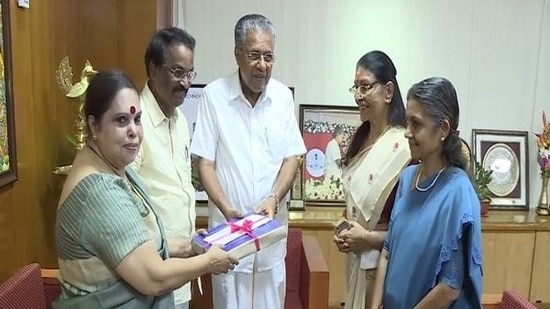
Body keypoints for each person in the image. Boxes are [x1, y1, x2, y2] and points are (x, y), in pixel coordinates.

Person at [55, 70, 238, 309]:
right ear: (93, 125)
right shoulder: (99, 191)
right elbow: (154, 278)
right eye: (121, 120)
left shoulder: (110, 165)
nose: (134, 131)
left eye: (138, 119)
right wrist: (208, 262)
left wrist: (189, 245)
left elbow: (133, 245)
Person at [190, 13, 306, 309]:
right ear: (237, 55)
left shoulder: (282, 97)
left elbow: (291, 156)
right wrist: (228, 210)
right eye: (254, 55)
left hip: (270, 240)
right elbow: (204, 162)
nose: (262, 65)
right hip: (229, 241)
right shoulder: (214, 96)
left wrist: (273, 197)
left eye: (269, 56)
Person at [371, 77, 483, 309]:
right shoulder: (407, 177)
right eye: (407, 123)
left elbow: (450, 287)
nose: (407, 133)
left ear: (443, 128)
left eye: (416, 124)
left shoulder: (458, 193)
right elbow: (388, 250)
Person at [332, 50, 411, 309]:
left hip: (384, 269)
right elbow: (354, 205)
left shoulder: (406, 149)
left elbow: (409, 229)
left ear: (388, 91)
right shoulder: (360, 139)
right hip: (355, 262)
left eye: (365, 87)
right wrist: (344, 226)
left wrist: (367, 239)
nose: (358, 96)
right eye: (356, 87)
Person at [128, 27, 198, 309]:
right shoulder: (133, 124)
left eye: (190, 73)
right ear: (153, 69)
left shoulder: (179, 119)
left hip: (181, 270)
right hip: (150, 275)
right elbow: (125, 205)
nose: (185, 83)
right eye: (177, 72)